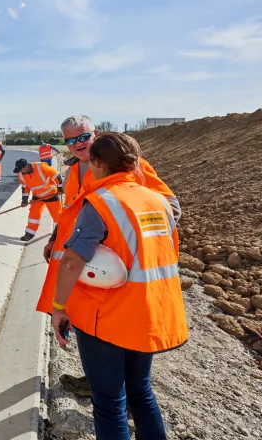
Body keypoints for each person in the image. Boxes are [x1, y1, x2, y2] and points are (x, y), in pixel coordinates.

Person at [50, 132, 187, 440]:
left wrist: (59, 307)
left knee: (109, 403)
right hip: (147, 312)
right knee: (141, 392)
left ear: (98, 164)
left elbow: (72, 262)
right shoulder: (159, 201)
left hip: (108, 317)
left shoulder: (102, 202)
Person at [14, 159, 62, 242]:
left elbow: (57, 175)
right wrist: (24, 200)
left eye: (21, 169)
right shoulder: (20, 174)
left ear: (26, 167)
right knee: (33, 215)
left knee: (57, 215)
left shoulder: (41, 167)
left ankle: (61, 232)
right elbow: (25, 187)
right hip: (37, 197)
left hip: (51, 194)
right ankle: (30, 233)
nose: (20, 172)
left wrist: (60, 188)